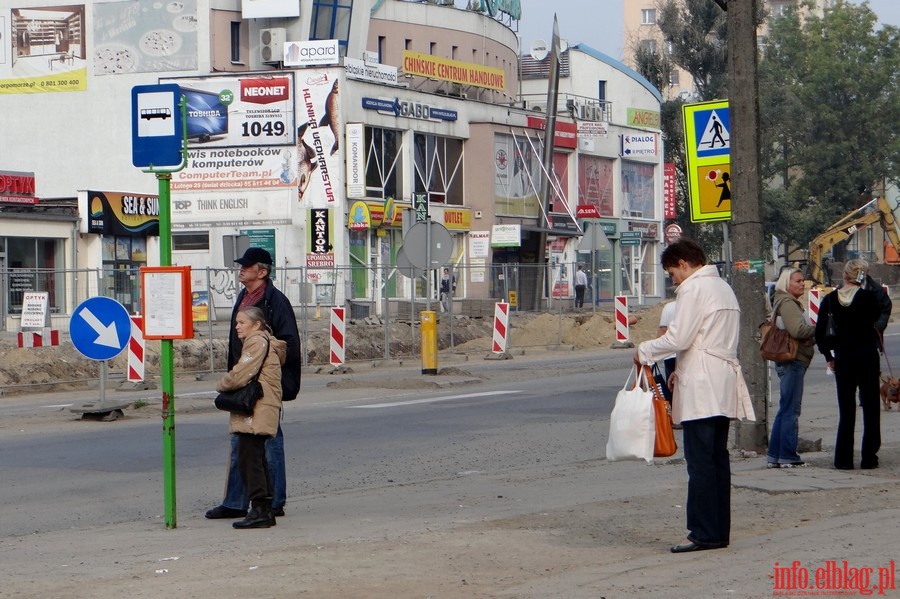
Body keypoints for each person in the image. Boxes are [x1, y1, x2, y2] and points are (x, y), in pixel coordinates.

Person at [634, 238, 755, 553]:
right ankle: (718, 531)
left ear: (684, 264)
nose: (673, 280)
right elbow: (705, 337)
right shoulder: (723, 288)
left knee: (700, 463)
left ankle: (701, 533)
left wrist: (644, 350)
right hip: (722, 379)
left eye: (672, 273)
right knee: (717, 460)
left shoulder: (693, 289)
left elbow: (680, 336)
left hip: (702, 384)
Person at [206, 248, 301, 520]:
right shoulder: (244, 298)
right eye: (242, 265)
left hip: (262, 387)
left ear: (263, 271)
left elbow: (290, 345)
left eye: (247, 266)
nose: (241, 269)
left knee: (268, 443)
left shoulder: (275, 301)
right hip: (245, 384)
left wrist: (262, 361)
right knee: (241, 443)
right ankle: (236, 501)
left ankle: (271, 502)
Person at [216, 306, 286, 529]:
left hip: (257, 407)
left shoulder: (256, 341)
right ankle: (264, 508)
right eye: (237, 322)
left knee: (250, 459)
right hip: (264, 406)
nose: (237, 326)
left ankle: (259, 510)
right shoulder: (265, 340)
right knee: (256, 457)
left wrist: (222, 385)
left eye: (242, 322)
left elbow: (242, 372)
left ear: (256, 324)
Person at [815, 259, 883, 470]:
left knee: (846, 409)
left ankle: (843, 459)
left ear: (843, 274)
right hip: (867, 356)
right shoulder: (868, 298)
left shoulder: (829, 300)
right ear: (863, 276)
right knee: (871, 407)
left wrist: (829, 356)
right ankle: (869, 457)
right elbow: (880, 310)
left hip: (843, 358)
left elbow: (820, 332)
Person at [766, 268, 816, 469]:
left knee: (785, 408)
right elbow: (797, 330)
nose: (802, 284)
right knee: (791, 410)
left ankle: (775, 455)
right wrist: (818, 329)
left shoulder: (783, 301)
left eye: (803, 280)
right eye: (797, 281)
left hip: (788, 360)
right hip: (792, 360)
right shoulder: (788, 303)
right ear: (787, 283)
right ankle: (787, 455)